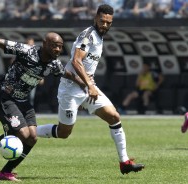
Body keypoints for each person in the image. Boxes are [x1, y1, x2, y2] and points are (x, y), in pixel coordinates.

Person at [0, 32, 86, 181]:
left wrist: (84, 84)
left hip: (24, 101)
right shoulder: (27, 51)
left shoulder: (53, 64)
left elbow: (67, 74)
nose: (58, 50)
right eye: (54, 46)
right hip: (6, 97)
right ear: (44, 44)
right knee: (23, 134)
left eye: (60, 47)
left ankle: (5, 171)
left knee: (32, 137)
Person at [36, 4, 145, 175]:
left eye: (109, 23)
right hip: (71, 89)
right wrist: (90, 86)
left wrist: (89, 85)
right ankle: (28, 131)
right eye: (102, 21)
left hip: (87, 86)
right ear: (95, 18)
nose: (105, 25)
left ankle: (124, 162)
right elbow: (76, 61)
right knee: (63, 132)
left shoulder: (100, 37)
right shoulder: (88, 36)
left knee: (114, 116)